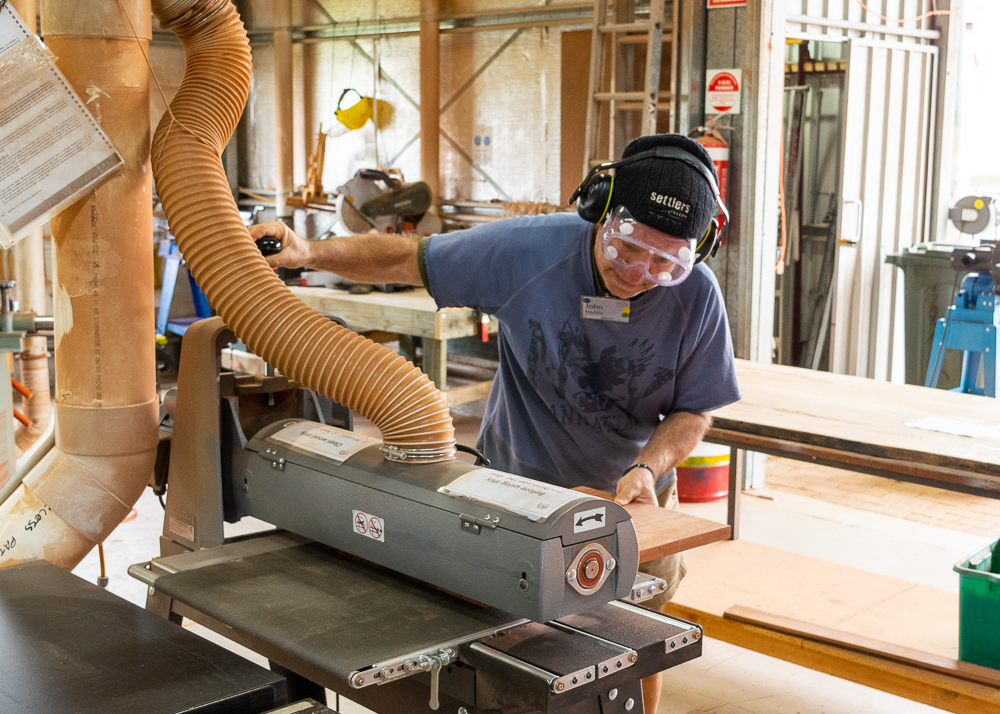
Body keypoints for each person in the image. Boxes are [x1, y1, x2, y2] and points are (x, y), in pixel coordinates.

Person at [252, 133, 740, 714]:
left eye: (665, 264)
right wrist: (308, 252)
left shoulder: (697, 297)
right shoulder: (529, 251)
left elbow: (694, 409)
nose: (638, 272)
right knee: (511, 653)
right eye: (626, 247)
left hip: (632, 503)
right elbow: (409, 258)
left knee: (636, 643)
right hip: (515, 495)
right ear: (600, 209)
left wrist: (646, 468)